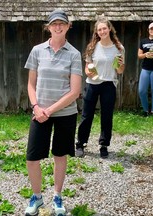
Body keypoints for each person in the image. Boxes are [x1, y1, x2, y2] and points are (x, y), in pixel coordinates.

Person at [24, 9, 82, 216]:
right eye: (54, 24)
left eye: (62, 24)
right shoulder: (37, 50)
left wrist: (48, 110)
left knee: (60, 155)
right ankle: (37, 197)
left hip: (65, 114)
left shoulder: (74, 54)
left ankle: (57, 196)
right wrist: (36, 107)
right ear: (48, 27)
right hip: (39, 112)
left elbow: (75, 91)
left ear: (68, 27)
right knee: (32, 158)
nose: (58, 27)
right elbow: (31, 84)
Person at [75, 17, 125, 158]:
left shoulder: (119, 48)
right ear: (96, 32)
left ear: (109, 29)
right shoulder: (92, 47)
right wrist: (88, 72)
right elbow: (87, 68)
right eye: (99, 29)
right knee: (86, 115)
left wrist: (120, 65)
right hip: (92, 83)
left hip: (109, 84)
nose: (102, 31)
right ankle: (80, 143)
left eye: (104, 28)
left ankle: (104, 145)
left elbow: (120, 71)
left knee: (107, 116)